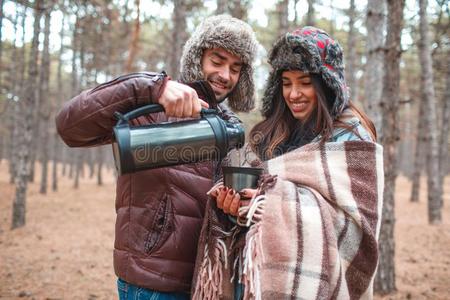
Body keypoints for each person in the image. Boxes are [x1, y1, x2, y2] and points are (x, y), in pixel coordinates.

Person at [55, 15, 259, 300]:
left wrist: (240, 204)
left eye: (235, 68)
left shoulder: (229, 124)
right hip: (151, 284)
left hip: (207, 281)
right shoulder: (153, 104)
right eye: (217, 60)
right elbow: (69, 127)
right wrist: (150, 87)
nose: (225, 75)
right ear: (197, 57)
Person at [192, 27, 384, 300]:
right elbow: (248, 209)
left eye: (305, 82)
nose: (294, 94)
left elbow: (352, 230)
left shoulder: (351, 137)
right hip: (255, 277)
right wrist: (233, 205)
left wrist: (268, 200)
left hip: (314, 284)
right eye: (286, 82)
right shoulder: (269, 134)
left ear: (327, 83)